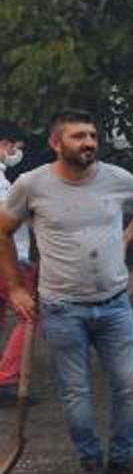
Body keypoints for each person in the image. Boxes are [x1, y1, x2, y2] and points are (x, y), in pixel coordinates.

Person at [0, 109, 133, 474]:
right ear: (56, 143)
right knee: (75, 390)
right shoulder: (31, 184)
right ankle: (90, 460)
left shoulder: (116, 178)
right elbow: (3, 232)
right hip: (61, 307)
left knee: (129, 384)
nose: (88, 142)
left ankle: (123, 457)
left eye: (91, 135)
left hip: (114, 303)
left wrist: (125, 238)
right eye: (78, 136)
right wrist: (18, 288)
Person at [0, 120, 36, 406]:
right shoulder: (1, 182)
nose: (16, 152)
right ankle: (7, 379)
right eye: (16, 147)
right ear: (4, 144)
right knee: (29, 315)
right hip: (9, 259)